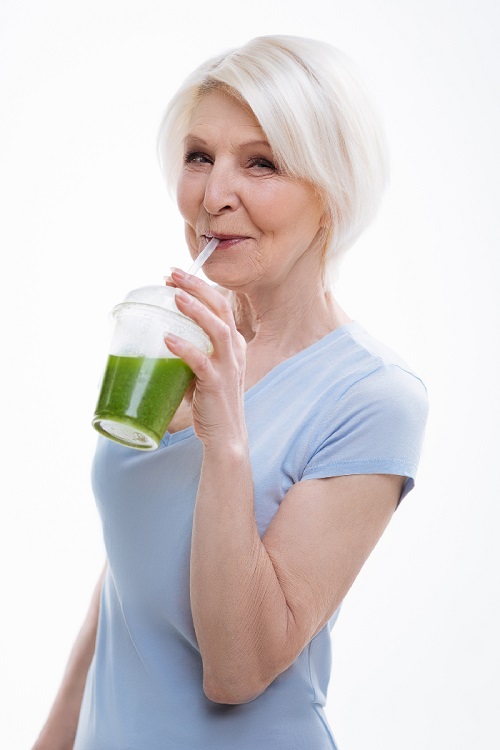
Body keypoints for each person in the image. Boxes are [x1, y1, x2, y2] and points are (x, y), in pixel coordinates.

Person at [33, 35, 428, 750]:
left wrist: (225, 439)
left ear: (331, 192)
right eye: (198, 157)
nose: (216, 196)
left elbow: (238, 669)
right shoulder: (175, 340)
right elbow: (127, 578)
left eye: (261, 162)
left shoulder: (374, 397)